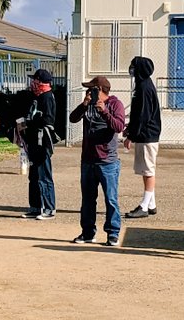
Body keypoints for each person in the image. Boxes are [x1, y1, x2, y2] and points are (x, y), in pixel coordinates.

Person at [69, 76, 126, 246]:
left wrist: (105, 112)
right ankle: (87, 232)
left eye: (91, 89)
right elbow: (72, 118)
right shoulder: (88, 105)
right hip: (88, 160)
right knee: (87, 199)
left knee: (111, 199)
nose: (88, 92)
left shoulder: (115, 104)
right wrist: (84, 104)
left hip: (107, 161)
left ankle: (113, 233)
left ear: (100, 90)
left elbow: (119, 126)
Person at [123, 56, 162, 218]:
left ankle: (144, 206)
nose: (131, 69)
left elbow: (143, 116)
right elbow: (137, 114)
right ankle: (151, 204)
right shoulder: (141, 85)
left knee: (148, 169)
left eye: (133, 66)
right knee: (144, 169)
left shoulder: (145, 88)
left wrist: (131, 135)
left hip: (148, 135)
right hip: (143, 134)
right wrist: (130, 128)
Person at [20, 69, 58, 220]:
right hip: (33, 141)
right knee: (34, 176)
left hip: (42, 141)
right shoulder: (36, 98)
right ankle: (35, 207)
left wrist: (30, 123)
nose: (33, 84)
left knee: (44, 176)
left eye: (35, 81)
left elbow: (48, 120)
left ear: (42, 83)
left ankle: (49, 208)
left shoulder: (47, 97)